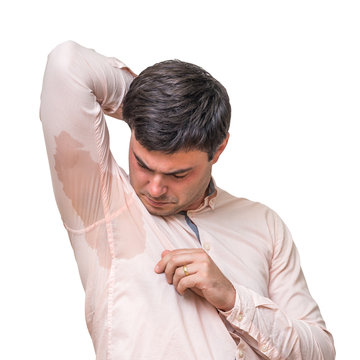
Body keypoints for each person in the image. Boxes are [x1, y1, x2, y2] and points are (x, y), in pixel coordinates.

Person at [40, 41, 335, 360]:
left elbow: (321, 351)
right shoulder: (104, 203)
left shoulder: (264, 224)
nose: (153, 189)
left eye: (177, 175)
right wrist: (153, 106)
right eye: (142, 165)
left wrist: (232, 298)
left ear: (218, 149)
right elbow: (66, 65)